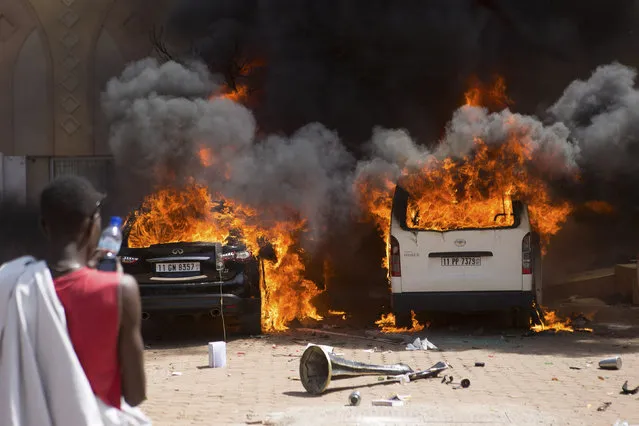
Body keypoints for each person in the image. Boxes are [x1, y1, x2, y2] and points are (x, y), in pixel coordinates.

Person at [39, 175, 146, 408]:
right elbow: (135, 395)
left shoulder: (15, 286)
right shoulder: (120, 290)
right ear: (93, 225)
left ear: (45, 226)